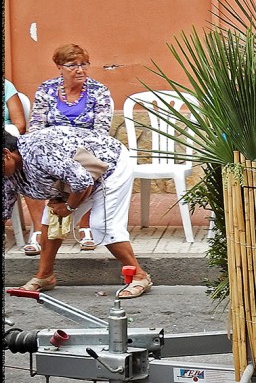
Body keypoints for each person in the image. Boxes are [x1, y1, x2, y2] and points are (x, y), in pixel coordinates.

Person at [2, 127, 154, 297]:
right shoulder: (9, 170)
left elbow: (82, 181)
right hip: (75, 177)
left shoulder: (40, 152)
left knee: (102, 225)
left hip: (110, 164)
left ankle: (140, 276)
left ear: (6, 154)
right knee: (52, 221)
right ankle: (45, 276)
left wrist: (69, 207)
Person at [25, 44, 114, 254]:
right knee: (30, 167)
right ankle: (39, 229)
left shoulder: (99, 91)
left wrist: (72, 151)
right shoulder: (46, 89)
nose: (80, 70)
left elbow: (101, 131)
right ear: (59, 67)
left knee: (82, 171)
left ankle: (85, 227)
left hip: (85, 149)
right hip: (51, 148)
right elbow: (36, 125)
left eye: (84, 64)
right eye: (73, 65)